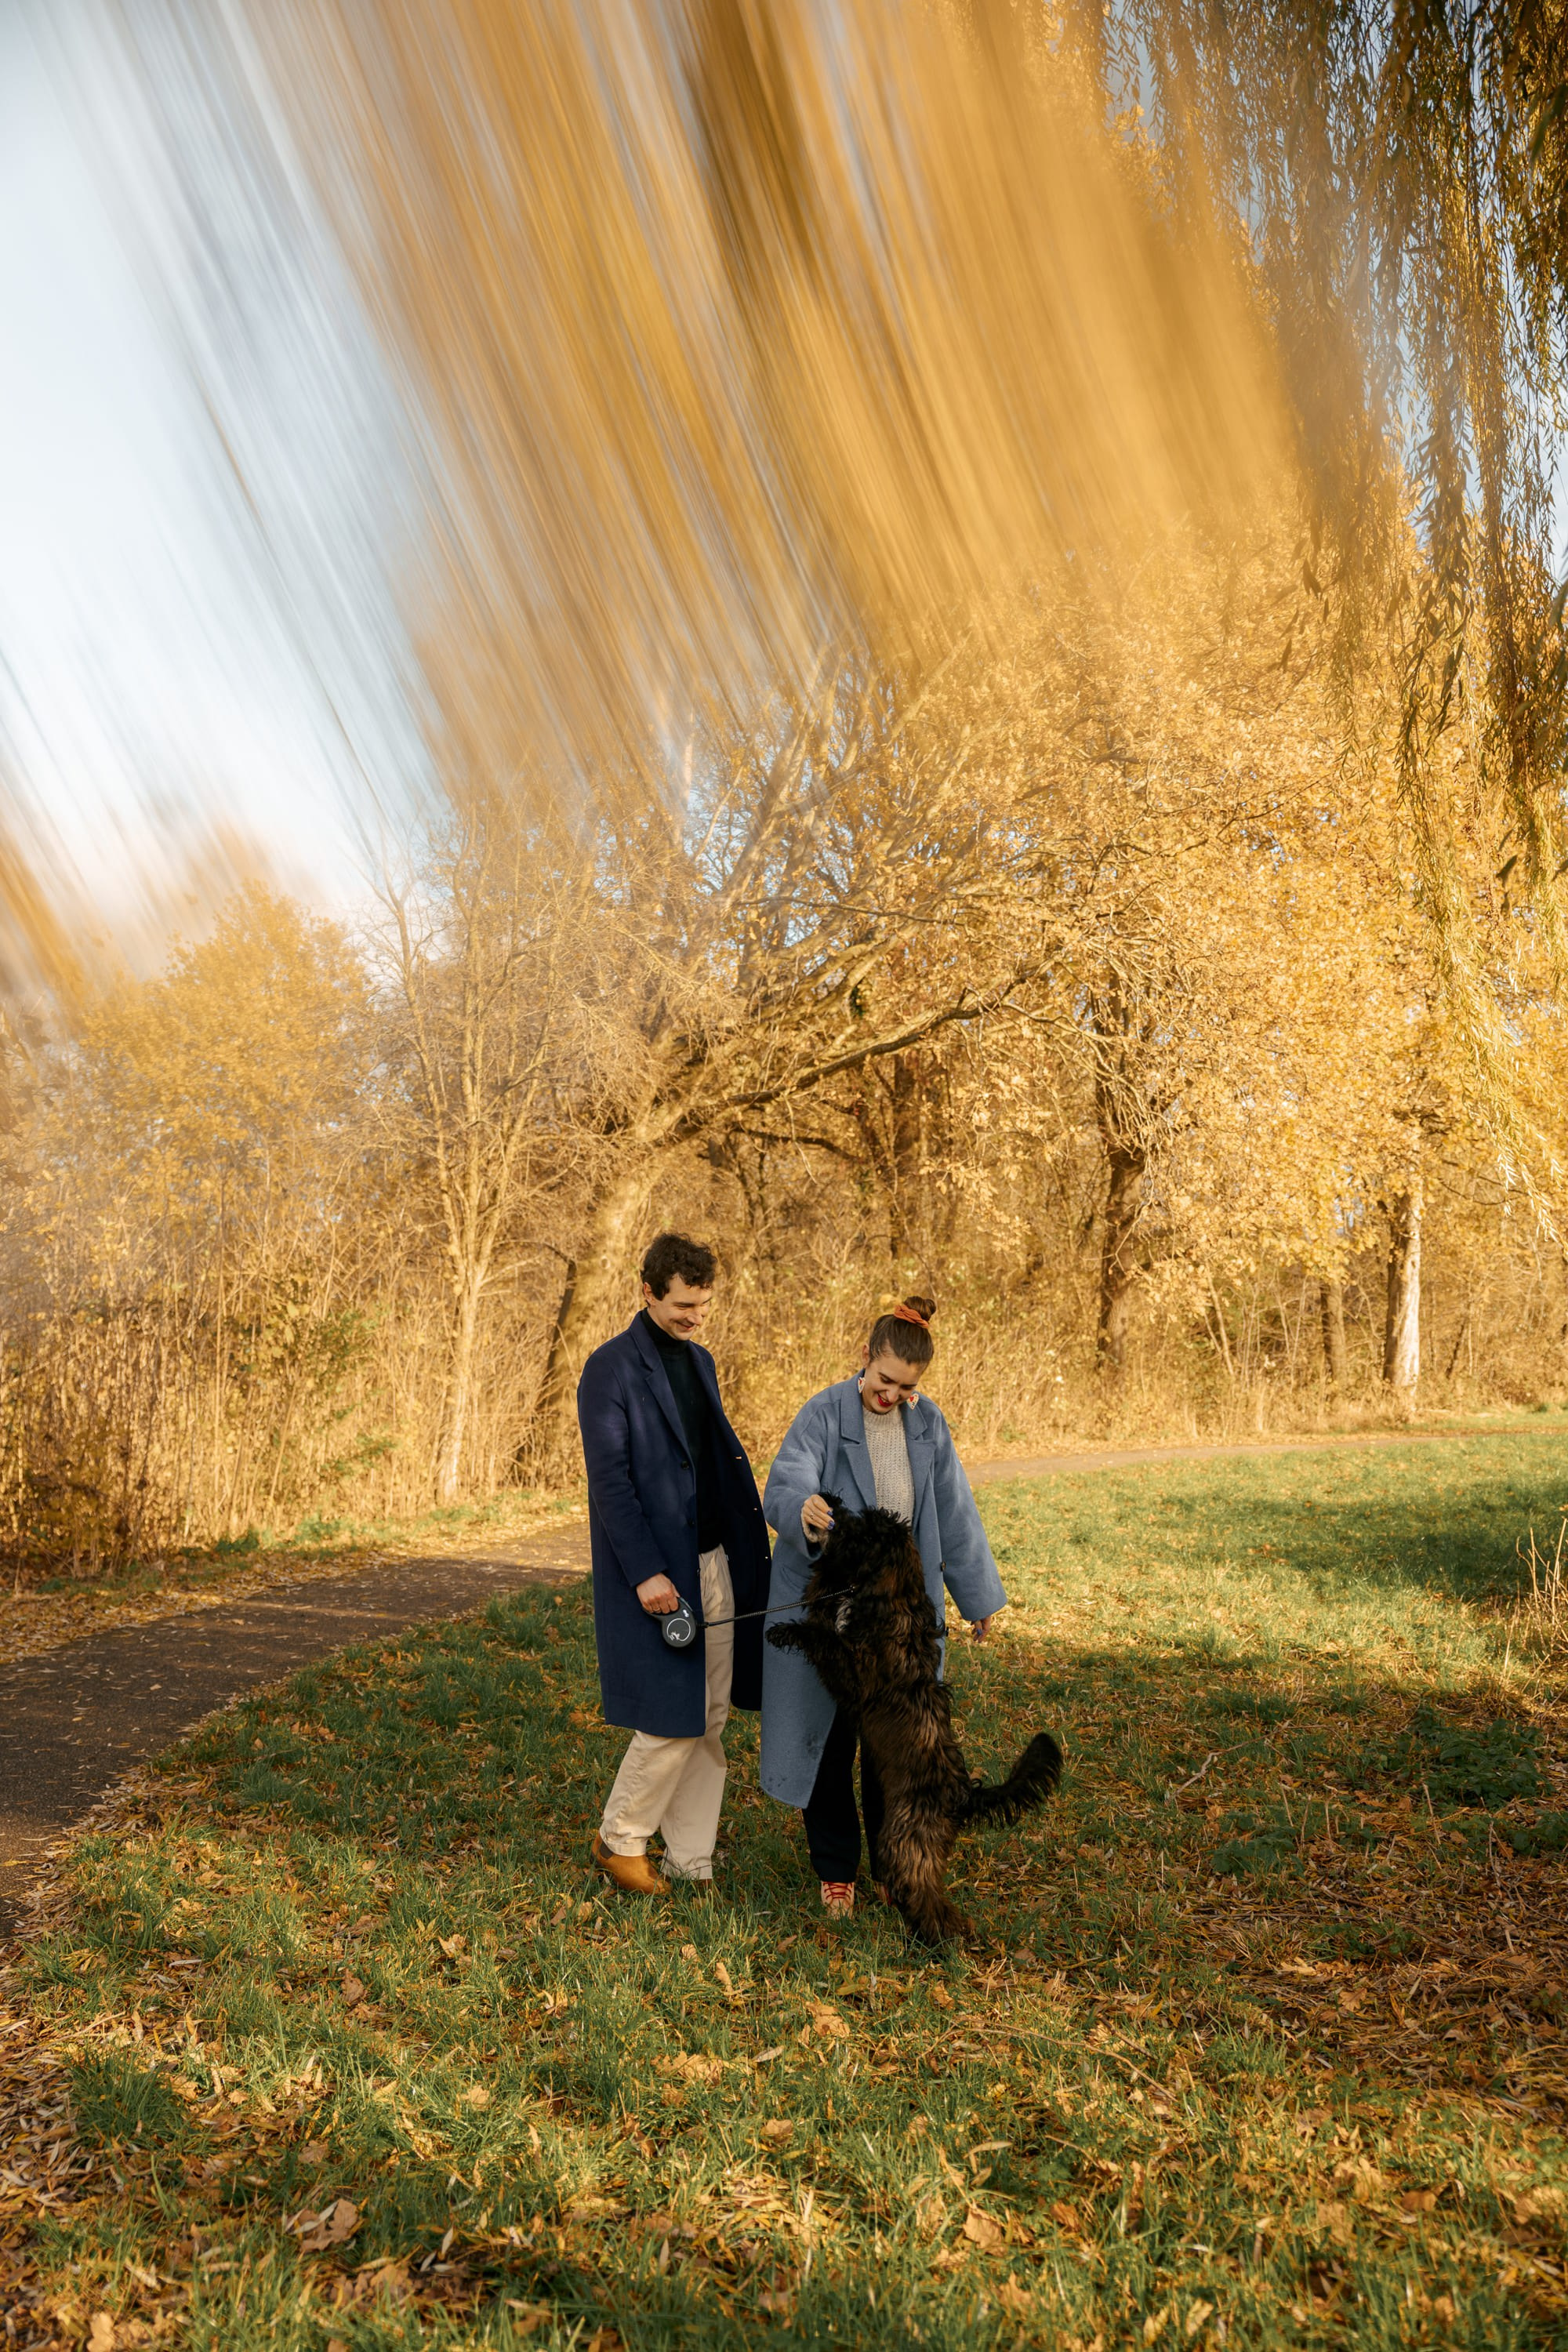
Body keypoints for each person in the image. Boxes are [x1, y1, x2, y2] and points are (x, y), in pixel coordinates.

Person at [760, 1292, 1007, 1916]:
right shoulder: (822, 1413)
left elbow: (955, 1514)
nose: (890, 1395)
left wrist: (977, 1598)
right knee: (831, 1742)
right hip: (830, 1611)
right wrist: (804, 1510)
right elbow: (784, 1482)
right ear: (864, 1357)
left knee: (892, 1753)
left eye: (904, 1386)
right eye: (883, 1380)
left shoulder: (927, 1426)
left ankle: (893, 1871)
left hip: (895, 1624)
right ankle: (836, 1871)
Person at [577, 1232, 771, 1894]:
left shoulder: (702, 1362)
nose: (694, 1317)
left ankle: (690, 1859)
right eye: (683, 1305)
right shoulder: (610, 1369)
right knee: (670, 1713)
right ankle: (620, 1839)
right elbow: (611, 1485)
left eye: (703, 1306)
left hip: (715, 1562)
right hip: (663, 1572)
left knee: (710, 1718)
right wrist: (645, 1573)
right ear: (647, 1292)